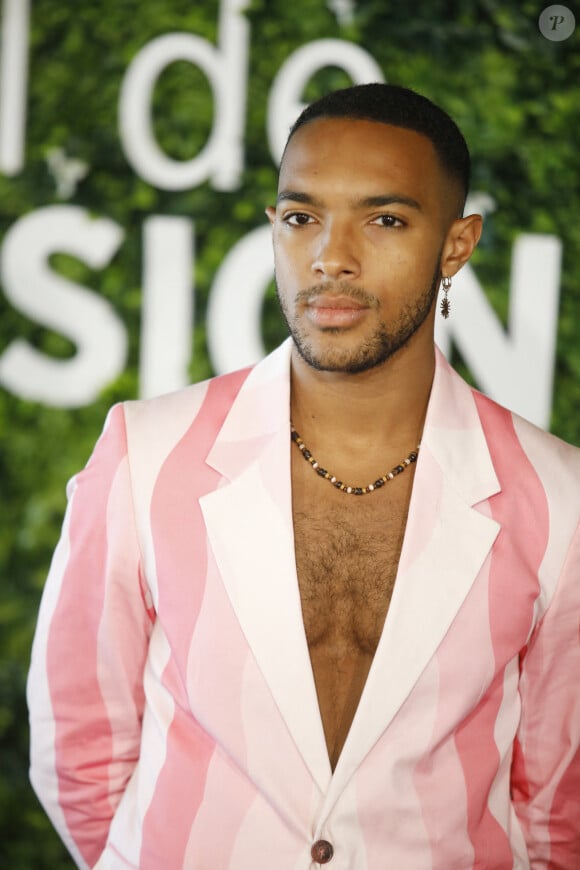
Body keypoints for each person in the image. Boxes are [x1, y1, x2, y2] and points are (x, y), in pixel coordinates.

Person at [28, 83, 580, 869]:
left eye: (385, 219)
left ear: (456, 244)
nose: (331, 256)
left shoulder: (559, 499)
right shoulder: (144, 453)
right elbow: (78, 750)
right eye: (301, 217)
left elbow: (560, 804)